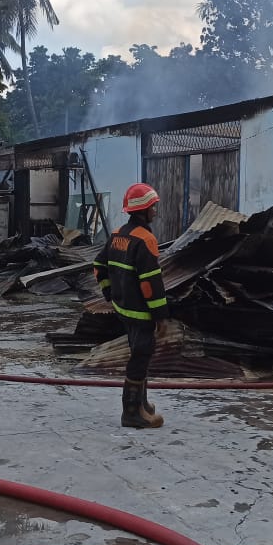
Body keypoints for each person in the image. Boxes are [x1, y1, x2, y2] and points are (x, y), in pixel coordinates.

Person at [93, 183, 169, 429]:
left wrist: (108, 292)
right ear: (143, 210)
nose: (156, 211)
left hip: (123, 309)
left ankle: (142, 405)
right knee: (140, 357)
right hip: (141, 313)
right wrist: (160, 316)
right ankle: (132, 412)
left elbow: (98, 266)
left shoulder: (117, 235)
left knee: (140, 355)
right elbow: (151, 285)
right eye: (153, 207)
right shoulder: (145, 239)